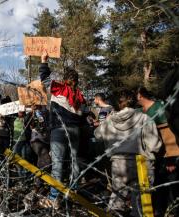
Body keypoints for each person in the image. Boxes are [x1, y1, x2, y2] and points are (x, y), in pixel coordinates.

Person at [94, 89, 162, 216]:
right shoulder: (144, 118)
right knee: (140, 203)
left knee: (116, 200)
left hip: (118, 163)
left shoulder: (110, 120)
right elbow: (154, 145)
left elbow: (97, 135)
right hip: (142, 163)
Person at [38, 52, 86, 208]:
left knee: (58, 164)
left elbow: (45, 79)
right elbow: (83, 115)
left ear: (65, 79)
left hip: (60, 129)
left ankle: (54, 198)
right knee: (74, 163)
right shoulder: (80, 96)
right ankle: (73, 193)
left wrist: (44, 61)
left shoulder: (59, 88)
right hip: (76, 131)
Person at [137, 86, 179, 216]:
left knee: (173, 186)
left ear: (140, 95)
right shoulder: (140, 111)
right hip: (153, 158)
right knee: (159, 187)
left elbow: (169, 134)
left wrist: (170, 157)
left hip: (169, 155)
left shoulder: (159, 108)